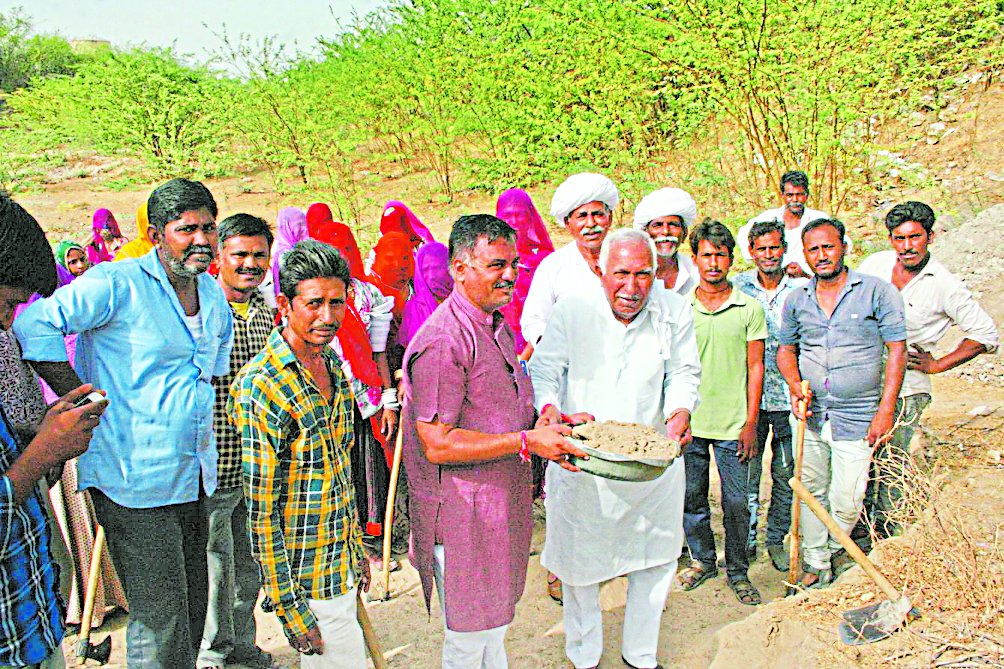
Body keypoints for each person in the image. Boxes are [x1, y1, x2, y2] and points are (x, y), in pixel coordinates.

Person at [15, 178, 234, 668]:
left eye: (208, 228)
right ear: (157, 235)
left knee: (195, 605)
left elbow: (210, 377)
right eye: (186, 229)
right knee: (161, 616)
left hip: (194, 473)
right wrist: (80, 395)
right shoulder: (117, 283)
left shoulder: (213, 297)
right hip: (133, 479)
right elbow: (34, 324)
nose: (201, 239)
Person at [401, 214, 585, 669]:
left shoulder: (495, 324)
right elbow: (438, 444)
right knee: (468, 639)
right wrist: (527, 440)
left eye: (514, 264)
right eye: (496, 265)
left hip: (497, 505)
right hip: (463, 516)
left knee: (493, 631)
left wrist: (549, 421)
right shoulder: (445, 341)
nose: (509, 275)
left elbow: (499, 407)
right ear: (459, 268)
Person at [530, 229, 701, 669]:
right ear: (600, 271)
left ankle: (640, 655)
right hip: (583, 460)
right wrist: (549, 408)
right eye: (620, 273)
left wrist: (680, 412)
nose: (632, 287)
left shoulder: (674, 309)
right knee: (579, 566)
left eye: (643, 274)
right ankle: (583, 656)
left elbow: (684, 371)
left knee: (655, 559)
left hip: (650, 464)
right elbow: (545, 370)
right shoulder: (572, 309)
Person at [229, 240, 369, 669]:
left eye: (336, 303)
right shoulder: (263, 387)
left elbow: (337, 471)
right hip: (307, 581)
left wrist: (355, 546)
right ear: (286, 305)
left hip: (340, 561)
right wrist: (289, 607)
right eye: (314, 304)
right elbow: (262, 510)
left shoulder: (331, 365)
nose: (327, 317)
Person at [1, 193, 110, 669]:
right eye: (7, 304)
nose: (7, 323)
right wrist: (43, 450)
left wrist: (45, 438)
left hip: (29, 622)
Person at [857, 202, 998, 540]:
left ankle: (885, 540)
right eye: (899, 238)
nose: (907, 246)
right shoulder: (874, 265)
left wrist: (938, 364)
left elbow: (985, 334)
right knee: (860, 459)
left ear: (930, 237)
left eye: (915, 237)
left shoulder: (944, 284)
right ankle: (855, 534)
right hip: (863, 379)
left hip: (907, 387)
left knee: (891, 461)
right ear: (891, 240)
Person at [777, 218, 906, 587]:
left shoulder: (877, 292)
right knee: (810, 490)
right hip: (810, 415)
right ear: (805, 255)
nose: (822, 255)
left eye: (828, 246)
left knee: (849, 498)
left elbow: (896, 351)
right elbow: (786, 351)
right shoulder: (797, 299)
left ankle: (835, 547)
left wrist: (885, 410)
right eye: (813, 249)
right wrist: (793, 386)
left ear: (844, 246)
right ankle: (817, 563)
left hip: (860, 414)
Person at [199, 214, 278, 669]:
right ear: (219, 257)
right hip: (214, 463)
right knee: (216, 567)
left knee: (249, 565)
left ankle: (242, 646)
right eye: (240, 255)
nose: (250, 264)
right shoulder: (204, 310)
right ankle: (214, 655)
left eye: (259, 255)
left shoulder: (266, 313)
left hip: (257, 463)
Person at [677, 220, 766, 606]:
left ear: (731, 258)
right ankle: (702, 560)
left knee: (736, 502)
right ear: (694, 258)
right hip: (692, 424)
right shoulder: (682, 309)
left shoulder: (749, 307)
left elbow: (756, 367)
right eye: (706, 255)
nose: (714, 262)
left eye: (721, 255)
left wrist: (750, 422)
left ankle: (739, 570)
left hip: (734, 425)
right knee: (691, 497)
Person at [306, 209, 399, 567]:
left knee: (370, 473)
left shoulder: (368, 296)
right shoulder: (310, 298)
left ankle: (375, 544)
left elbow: (378, 353)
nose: (340, 255)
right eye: (332, 248)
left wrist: (388, 401)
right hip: (326, 402)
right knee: (337, 475)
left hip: (365, 400)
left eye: (346, 247)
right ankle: (343, 545)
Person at [734, 219, 808, 572]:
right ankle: (745, 541)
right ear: (751, 251)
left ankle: (775, 539)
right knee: (746, 473)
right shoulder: (738, 287)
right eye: (761, 249)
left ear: (784, 249)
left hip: (787, 399)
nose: (768, 255)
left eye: (774, 248)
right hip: (749, 398)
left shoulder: (800, 288)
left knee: (785, 472)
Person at [520, 172, 620, 356]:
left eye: (598, 214)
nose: (590, 223)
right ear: (568, 223)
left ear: (610, 218)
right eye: (582, 216)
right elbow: (533, 321)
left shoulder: (627, 257)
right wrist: (554, 345)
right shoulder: (553, 267)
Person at [736, 170, 841, 278]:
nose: (795, 199)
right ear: (782, 195)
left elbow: (842, 245)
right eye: (790, 195)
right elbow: (743, 236)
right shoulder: (767, 218)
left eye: (799, 195)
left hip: (812, 281)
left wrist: (807, 271)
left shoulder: (819, 219)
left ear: (807, 195)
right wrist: (763, 261)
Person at [495, 188, 555, 355]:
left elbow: (554, 312)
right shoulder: (488, 261)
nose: (513, 221)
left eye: (520, 214)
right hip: (500, 348)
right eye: (507, 215)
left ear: (530, 218)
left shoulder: (545, 261)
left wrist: (527, 353)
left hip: (540, 346)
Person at [632, 187, 699, 295]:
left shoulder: (696, 272)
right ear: (645, 233)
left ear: (684, 233)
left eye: (673, 225)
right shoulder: (632, 272)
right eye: (657, 225)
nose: (665, 232)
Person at [366, 231, 415, 375]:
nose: (398, 264)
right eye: (389, 258)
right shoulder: (370, 294)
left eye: (404, 258)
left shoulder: (418, 289)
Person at [398, 242, 452, 349]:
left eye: (441, 267)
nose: (435, 275)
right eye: (430, 269)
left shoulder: (464, 301)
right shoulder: (414, 309)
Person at [271, 207, 308, 296]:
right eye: (299, 225)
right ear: (287, 227)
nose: (304, 229)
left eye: (304, 224)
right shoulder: (282, 255)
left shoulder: (308, 247)